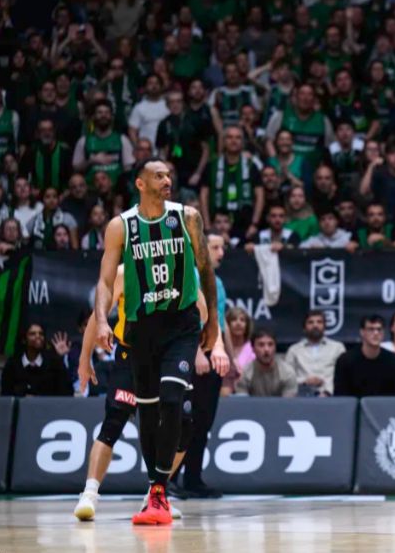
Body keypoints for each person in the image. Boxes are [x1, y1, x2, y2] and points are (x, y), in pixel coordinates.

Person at [92, 157, 229, 525]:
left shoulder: (187, 217)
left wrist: (213, 325)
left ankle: (159, 493)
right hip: (141, 329)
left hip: (181, 324)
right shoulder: (121, 227)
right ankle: (155, 490)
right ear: (140, 183)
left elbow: (206, 271)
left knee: (172, 399)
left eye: (169, 174)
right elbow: (105, 282)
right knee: (148, 414)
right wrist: (103, 321)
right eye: (159, 175)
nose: (167, 179)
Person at [73, 264, 208, 520]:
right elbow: (97, 315)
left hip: (167, 355)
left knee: (183, 426)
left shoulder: (181, 266)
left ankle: (155, 493)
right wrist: (84, 359)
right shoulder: (126, 272)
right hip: (131, 354)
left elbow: (202, 309)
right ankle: (89, 494)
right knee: (114, 421)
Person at [179, 232, 233, 499]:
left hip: (213, 357)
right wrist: (197, 353)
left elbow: (219, 322)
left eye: (222, 248)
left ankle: (193, 479)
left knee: (204, 421)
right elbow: (186, 321)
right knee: (183, 421)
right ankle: (168, 480)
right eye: (215, 247)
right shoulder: (189, 278)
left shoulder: (218, 282)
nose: (220, 253)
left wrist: (229, 357)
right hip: (192, 357)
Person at [333, 315, 395, 397]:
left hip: (385, 408)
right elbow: (341, 398)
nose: (376, 333)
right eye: (371, 329)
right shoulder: (345, 361)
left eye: (379, 329)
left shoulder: (394, 361)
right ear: (362, 332)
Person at [1, 323, 72, 397]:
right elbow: (6, 396)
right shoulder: (12, 365)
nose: (38, 336)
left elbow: (66, 393)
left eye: (41, 334)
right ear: (24, 339)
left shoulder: (54, 364)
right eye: (32, 334)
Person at [285, 310, 346, 397]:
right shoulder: (294, 350)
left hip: (331, 398)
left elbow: (343, 377)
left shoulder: (337, 348)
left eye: (319, 322)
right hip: (301, 398)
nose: (315, 325)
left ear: (325, 326)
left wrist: (328, 392)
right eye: (310, 322)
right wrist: (304, 381)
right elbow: (287, 378)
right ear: (304, 327)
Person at [235, 329, 298, 398]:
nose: (266, 349)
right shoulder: (244, 373)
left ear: (275, 347)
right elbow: (242, 404)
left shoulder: (288, 372)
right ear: (253, 348)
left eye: (270, 344)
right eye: (261, 345)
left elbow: (289, 405)